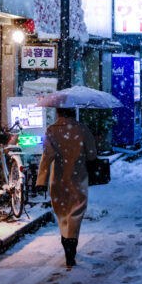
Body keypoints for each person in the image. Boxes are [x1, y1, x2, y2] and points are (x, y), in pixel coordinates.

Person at [35, 107, 97, 267]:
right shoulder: (82, 129)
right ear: (73, 112)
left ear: (58, 112)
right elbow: (92, 154)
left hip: (58, 178)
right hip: (78, 177)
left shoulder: (51, 131)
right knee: (76, 212)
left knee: (62, 212)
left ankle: (66, 241)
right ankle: (71, 244)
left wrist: (41, 181)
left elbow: (46, 156)